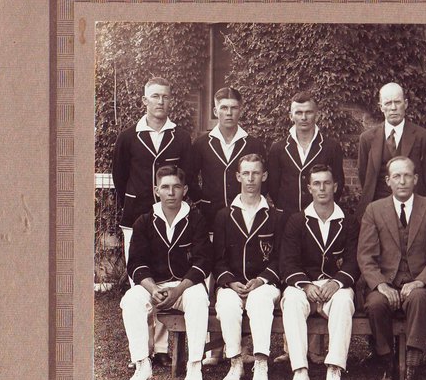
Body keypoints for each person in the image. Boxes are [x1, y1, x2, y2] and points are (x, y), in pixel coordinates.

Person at [357, 156, 426, 380]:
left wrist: (421, 280)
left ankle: (412, 370)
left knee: (419, 298)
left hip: (419, 280)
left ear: (416, 179)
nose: (402, 181)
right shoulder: (374, 210)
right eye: (396, 176)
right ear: (388, 181)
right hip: (386, 279)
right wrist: (380, 284)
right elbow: (366, 256)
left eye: (407, 175)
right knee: (376, 303)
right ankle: (388, 363)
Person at [121, 166, 211, 380]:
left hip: (185, 287)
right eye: (165, 187)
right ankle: (142, 364)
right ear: (156, 190)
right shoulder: (144, 221)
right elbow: (136, 263)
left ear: (185, 190)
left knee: (199, 299)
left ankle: (194, 364)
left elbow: (202, 262)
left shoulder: (196, 219)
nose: (171, 193)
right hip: (155, 286)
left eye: (176, 187)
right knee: (131, 299)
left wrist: (178, 290)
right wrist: (152, 289)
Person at [280, 165, 359, 380]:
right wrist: (304, 284)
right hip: (305, 285)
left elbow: (354, 261)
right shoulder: (297, 220)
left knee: (345, 301)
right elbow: (288, 262)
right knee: (292, 300)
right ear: (309, 188)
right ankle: (300, 370)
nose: (322, 188)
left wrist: (337, 282)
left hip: (335, 286)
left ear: (335, 186)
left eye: (326, 183)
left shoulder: (349, 221)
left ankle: (334, 369)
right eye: (316, 183)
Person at [212, 154, 283, 380]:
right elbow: (217, 259)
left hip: (263, 285)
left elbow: (280, 259)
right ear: (238, 176)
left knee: (260, 301)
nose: (250, 179)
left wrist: (261, 280)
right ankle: (235, 361)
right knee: (228, 305)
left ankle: (261, 364)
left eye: (255, 173)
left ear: (264, 176)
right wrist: (230, 282)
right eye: (246, 173)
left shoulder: (275, 216)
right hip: (232, 284)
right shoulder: (224, 215)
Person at [112, 77, 196, 263]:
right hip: (136, 211)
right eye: (155, 96)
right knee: (137, 264)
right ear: (144, 100)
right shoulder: (127, 137)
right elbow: (119, 176)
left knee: (167, 265)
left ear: (170, 101)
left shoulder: (181, 137)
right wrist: (130, 199)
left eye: (165, 97)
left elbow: (187, 174)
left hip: (171, 212)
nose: (160, 101)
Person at [355, 82, 426, 218]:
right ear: (381, 107)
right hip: (377, 209)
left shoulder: (423, 137)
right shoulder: (367, 138)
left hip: (412, 210)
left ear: (405, 104)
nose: (393, 108)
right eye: (388, 103)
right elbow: (364, 175)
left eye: (397, 102)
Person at [189, 87, 267, 227]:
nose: (229, 113)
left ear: (240, 110)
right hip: (210, 216)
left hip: (247, 216)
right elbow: (190, 176)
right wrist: (201, 201)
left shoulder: (253, 144)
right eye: (224, 108)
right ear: (215, 111)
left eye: (234, 108)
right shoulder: (202, 143)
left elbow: (264, 180)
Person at [267, 90, 346, 215]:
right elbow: (273, 186)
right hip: (287, 217)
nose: (303, 117)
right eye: (298, 113)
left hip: (320, 217)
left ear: (317, 115)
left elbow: (338, 184)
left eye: (308, 112)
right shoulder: (278, 148)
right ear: (291, 116)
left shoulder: (331, 147)